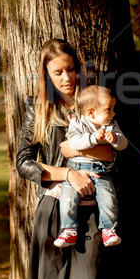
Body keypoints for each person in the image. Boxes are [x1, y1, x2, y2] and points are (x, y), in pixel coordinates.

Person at [16, 38, 116, 279]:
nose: (66, 78)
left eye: (70, 69)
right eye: (57, 72)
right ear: (46, 75)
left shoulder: (95, 103)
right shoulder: (38, 108)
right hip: (53, 211)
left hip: (94, 210)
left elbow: (113, 154)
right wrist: (69, 174)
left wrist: (74, 151)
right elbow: (23, 162)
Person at [54, 85, 127, 248]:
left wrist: (115, 139)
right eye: (109, 109)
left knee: (108, 198)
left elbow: (123, 144)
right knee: (67, 198)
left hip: (102, 171)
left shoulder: (111, 126)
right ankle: (69, 229)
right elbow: (73, 142)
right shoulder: (77, 124)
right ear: (90, 112)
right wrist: (93, 138)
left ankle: (108, 229)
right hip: (77, 170)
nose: (113, 113)